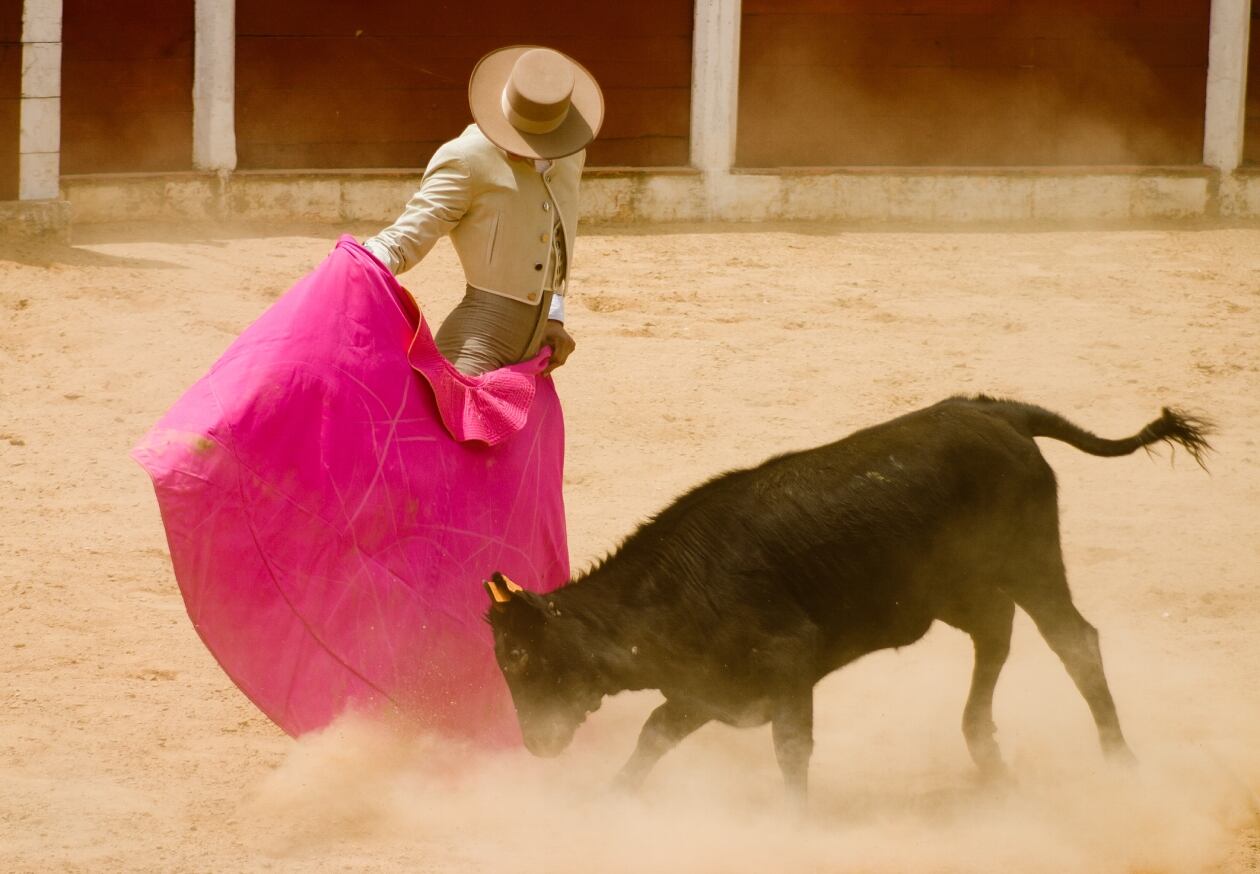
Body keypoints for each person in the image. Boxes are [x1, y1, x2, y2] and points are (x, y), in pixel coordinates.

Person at [363, 45, 604, 377]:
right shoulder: (467, 158)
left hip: (532, 358)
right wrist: (358, 263)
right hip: (472, 352)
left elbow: (558, 245)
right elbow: (404, 238)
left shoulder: (569, 154)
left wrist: (553, 314)